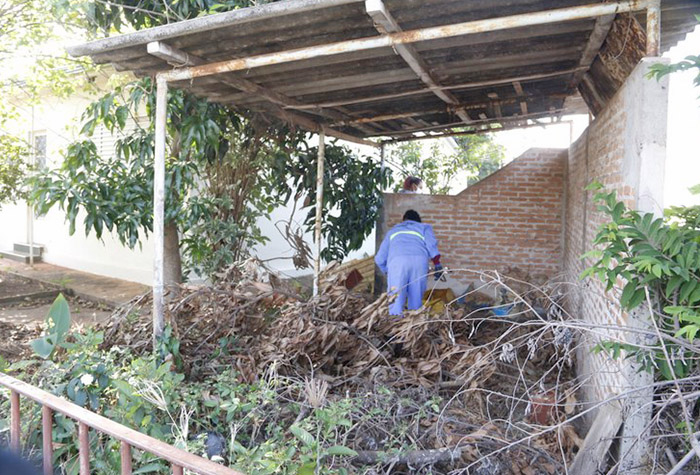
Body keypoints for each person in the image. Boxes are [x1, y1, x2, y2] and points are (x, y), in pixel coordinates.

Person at [375, 210, 443, 315]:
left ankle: (395, 323)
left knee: (395, 299)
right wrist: (437, 265)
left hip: (397, 263)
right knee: (416, 299)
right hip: (419, 263)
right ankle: (413, 325)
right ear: (418, 220)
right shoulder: (424, 227)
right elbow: (432, 247)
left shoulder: (393, 231)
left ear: (404, 220)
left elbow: (379, 259)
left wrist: (388, 272)